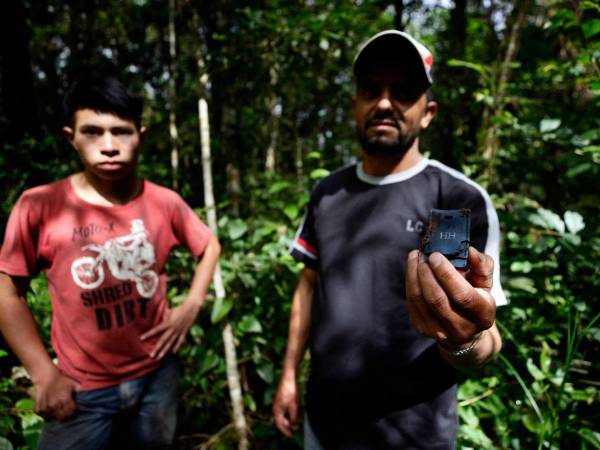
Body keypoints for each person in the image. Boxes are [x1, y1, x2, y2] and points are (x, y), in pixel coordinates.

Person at [272, 30, 506, 449]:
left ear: (428, 111)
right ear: (354, 104)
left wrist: (464, 340)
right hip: (325, 424)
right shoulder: (328, 193)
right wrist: (288, 376)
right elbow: (308, 286)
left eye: (403, 91)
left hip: (414, 433)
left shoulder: (450, 200)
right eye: (371, 89)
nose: (384, 102)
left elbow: (480, 332)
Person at [0, 76, 221, 449]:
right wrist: (43, 373)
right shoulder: (39, 206)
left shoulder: (163, 201)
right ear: (71, 136)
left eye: (121, 132)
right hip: (82, 390)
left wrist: (192, 305)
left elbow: (209, 245)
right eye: (92, 132)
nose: (108, 146)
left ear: (142, 135)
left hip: (157, 377)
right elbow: (7, 293)